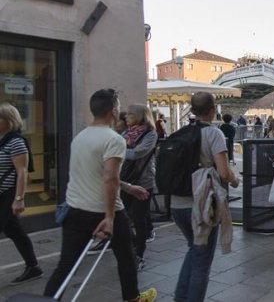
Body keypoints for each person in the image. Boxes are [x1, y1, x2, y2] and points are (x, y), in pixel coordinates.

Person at [44, 89, 156, 302]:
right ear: (114, 111)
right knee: (126, 256)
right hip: (104, 210)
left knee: (66, 265)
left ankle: (48, 299)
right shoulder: (114, 140)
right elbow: (109, 178)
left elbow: (98, 173)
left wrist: (129, 187)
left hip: (75, 209)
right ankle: (133, 298)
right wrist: (109, 217)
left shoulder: (80, 137)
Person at [170, 92, 239, 301]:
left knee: (194, 250)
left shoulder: (181, 132)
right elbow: (224, 172)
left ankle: (180, 297)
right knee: (202, 260)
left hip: (177, 204)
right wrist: (236, 181)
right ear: (213, 109)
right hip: (202, 206)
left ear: (192, 111)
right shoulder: (214, 134)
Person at [0, 103, 42, 285]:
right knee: (14, 231)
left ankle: (33, 267)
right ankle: (33, 267)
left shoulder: (16, 141)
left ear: (9, 120)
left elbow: (22, 172)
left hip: (8, 194)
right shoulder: (1, 139)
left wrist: (19, 199)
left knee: (13, 230)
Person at [119, 104, 158, 270]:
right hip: (125, 180)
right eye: (127, 114)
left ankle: (139, 254)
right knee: (122, 218)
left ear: (141, 116)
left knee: (139, 219)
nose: (127, 117)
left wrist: (119, 151)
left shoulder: (150, 134)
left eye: (131, 114)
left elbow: (138, 153)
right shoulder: (125, 133)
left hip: (143, 181)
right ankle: (131, 246)